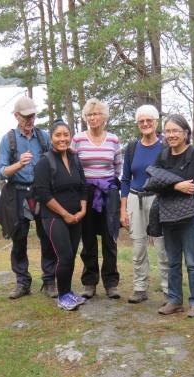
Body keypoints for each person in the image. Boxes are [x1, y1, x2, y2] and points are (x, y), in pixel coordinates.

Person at [0, 96, 57, 299]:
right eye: (26, 116)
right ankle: (22, 282)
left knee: (47, 237)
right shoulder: (9, 139)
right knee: (18, 239)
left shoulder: (43, 137)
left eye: (33, 115)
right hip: (18, 192)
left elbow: (55, 160)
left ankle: (50, 280)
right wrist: (19, 164)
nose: (30, 120)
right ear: (16, 116)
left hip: (41, 193)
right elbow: (1, 172)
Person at [153, 115, 194, 317]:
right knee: (172, 260)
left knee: (192, 261)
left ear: (186, 133)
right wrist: (175, 185)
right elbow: (153, 182)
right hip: (168, 215)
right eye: (168, 131)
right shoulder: (163, 155)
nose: (171, 135)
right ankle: (175, 300)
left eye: (176, 131)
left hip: (191, 215)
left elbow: (190, 185)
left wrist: (166, 185)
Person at [34, 119, 88, 310]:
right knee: (64, 256)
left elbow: (83, 186)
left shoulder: (74, 159)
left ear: (70, 137)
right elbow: (43, 194)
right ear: (51, 137)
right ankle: (62, 296)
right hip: (54, 217)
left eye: (66, 134)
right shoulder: (44, 162)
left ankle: (68, 291)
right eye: (58, 135)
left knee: (71, 256)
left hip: (76, 216)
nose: (62, 139)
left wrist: (82, 209)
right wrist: (65, 214)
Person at [71, 98, 122, 299]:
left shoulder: (113, 140)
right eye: (89, 114)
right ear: (85, 118)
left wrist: (107, 184)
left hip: (108, 193)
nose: (93, 118)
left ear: (104, 117)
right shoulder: (78, 140)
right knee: (88, 238)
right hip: (85, 193)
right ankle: (89, 282)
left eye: (97, 114)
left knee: (110, 239)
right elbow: (74, 167)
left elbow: (118, 167)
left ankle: (111, 283)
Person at [120, 105, 169, 304]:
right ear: (138, 124)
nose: (146, 124)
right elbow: (125, 179)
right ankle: (140, 288)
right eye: (141, 121)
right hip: (134, 198)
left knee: (162, 246)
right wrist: (123, 209)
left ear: (156, 122)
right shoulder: (132, 148)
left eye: (149, 120)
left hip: (158, 200)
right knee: (138, 246)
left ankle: (168, 289)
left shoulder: (165, 147)